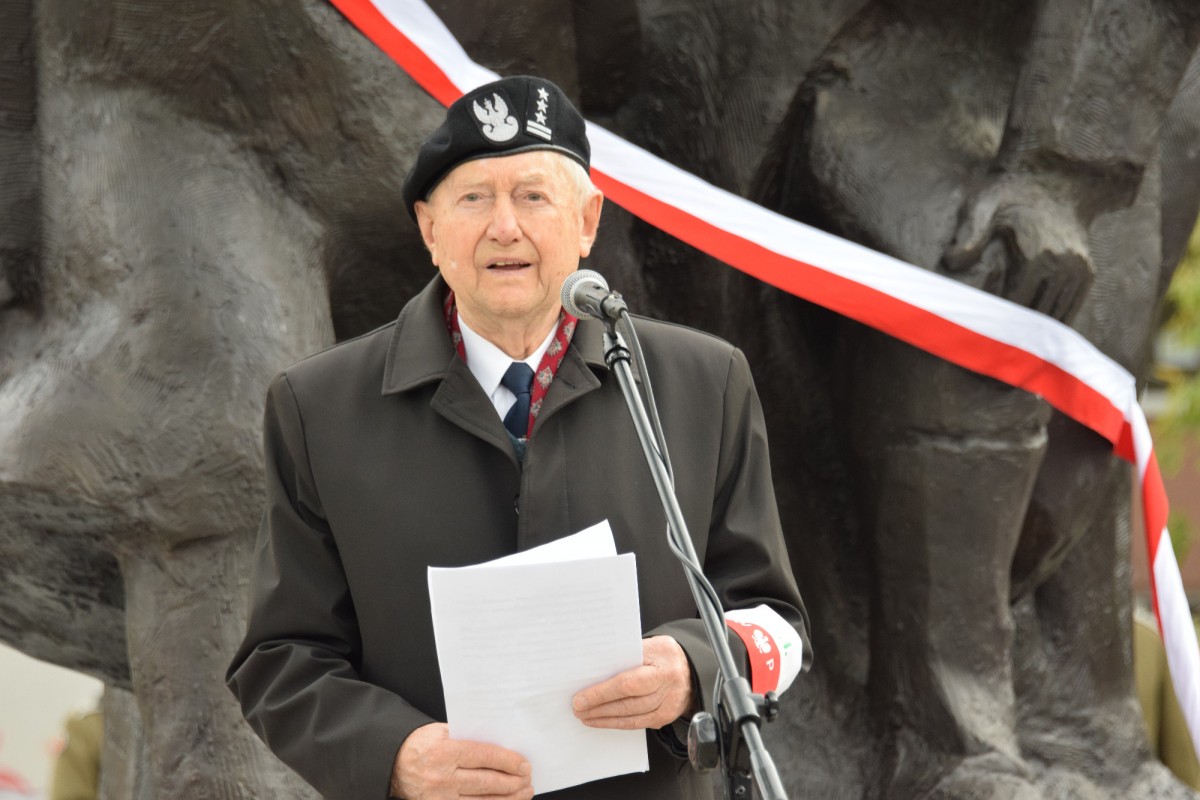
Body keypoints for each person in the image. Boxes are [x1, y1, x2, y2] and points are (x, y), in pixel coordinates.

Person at [227, 75, 809, 800]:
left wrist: (694, 666)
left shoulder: (703, 382)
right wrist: (395, 755)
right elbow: (280, 660)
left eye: (533, 196)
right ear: (429, 228)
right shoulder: (319, 407)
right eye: (474, 198)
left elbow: (777, 625)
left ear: (588, 221)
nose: (505, 227)